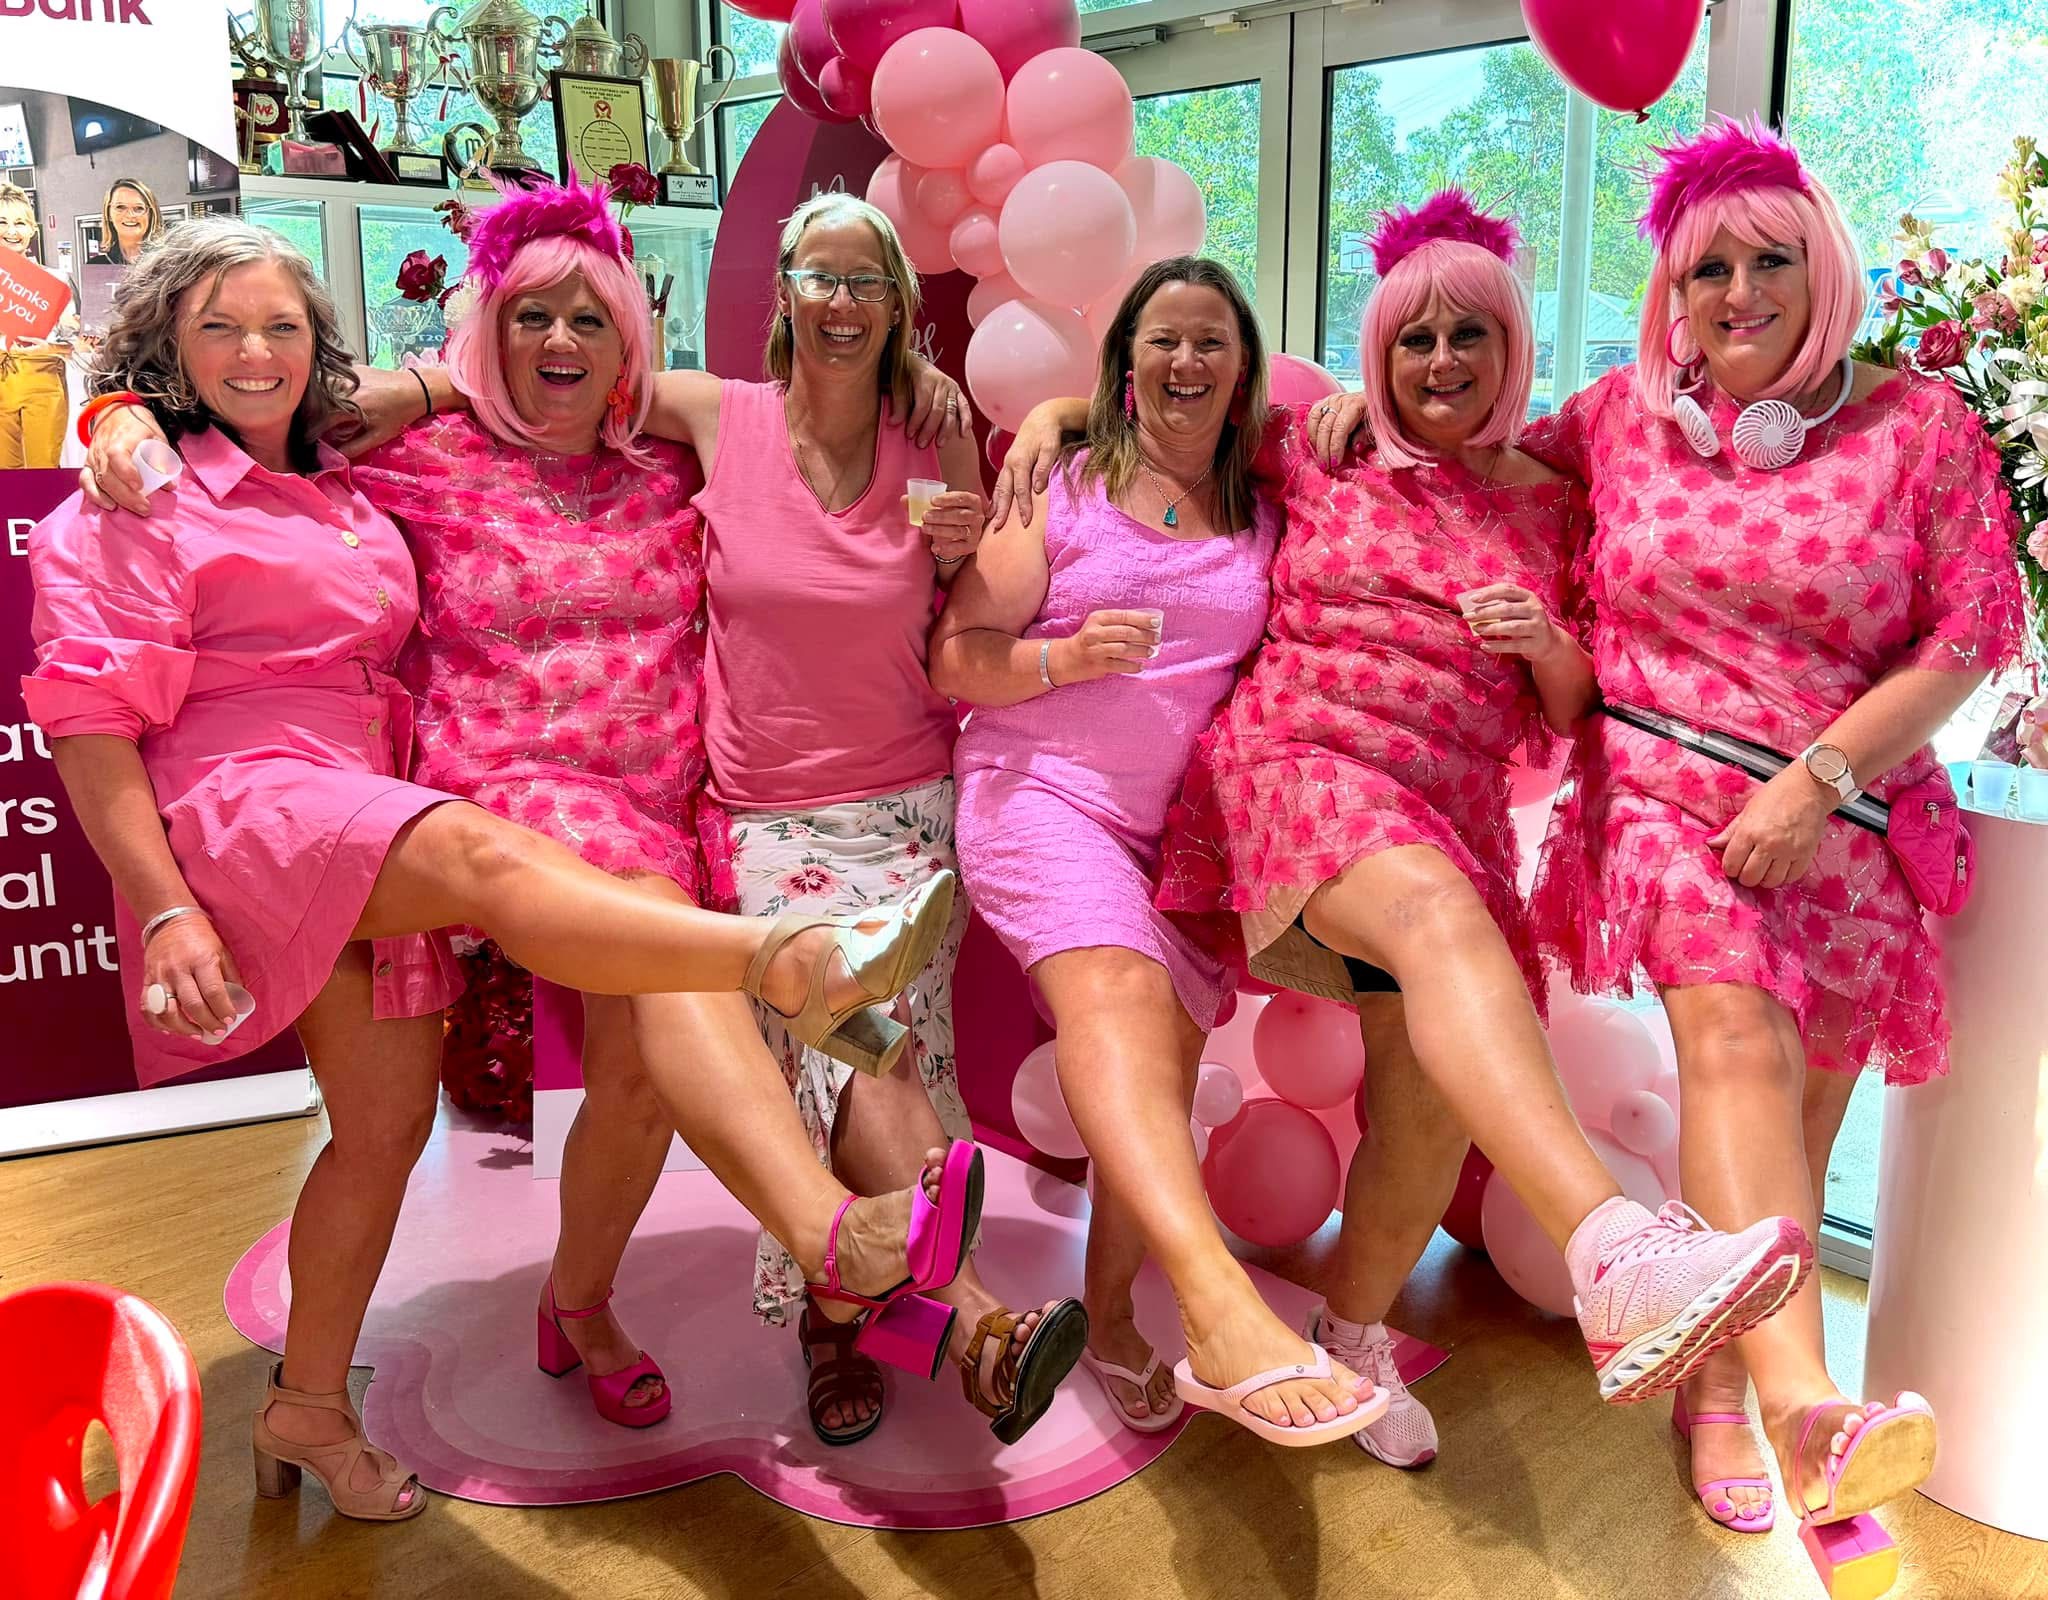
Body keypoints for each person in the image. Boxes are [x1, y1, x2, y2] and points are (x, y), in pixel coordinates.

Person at [26, 215, 970, 1522]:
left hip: (571, 803)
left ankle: (537, 1320)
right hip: (477, 803)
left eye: (590, 318)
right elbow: (220, 433)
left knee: (534, 1101)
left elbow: (284, 406)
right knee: (642, 947)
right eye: (530, 314)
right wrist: (121, 411)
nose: (560, 339)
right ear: (489, 333)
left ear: (629, 343)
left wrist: (945, 422)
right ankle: (820, 1179)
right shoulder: (409, 459)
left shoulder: (658, 467)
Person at [996, 214, 1821, 1447]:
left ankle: (1353, 1333)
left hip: (1451, 811)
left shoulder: (1559, 503)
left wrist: (1547, 647)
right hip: (1298, 770)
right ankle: (1611, 1246)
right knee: (1433, 911)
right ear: (1377, 353)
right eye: (1413, 338)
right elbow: (1171, 408)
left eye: (1467, 335)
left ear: (1510, 346)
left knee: (1430, 1095)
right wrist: (1054, 417)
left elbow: (1574, 706)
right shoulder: (1315, 450)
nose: (1440, 361)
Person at [1524, 120, 2024, 1543]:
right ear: (1671, 295)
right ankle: (1802, 1409)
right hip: (1664, 789)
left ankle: (1708, 1387)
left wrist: (1816, 780)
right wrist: (1316, 422)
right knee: (1735, 1045)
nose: (1736, 293)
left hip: (1845, 806)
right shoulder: (1615, 417)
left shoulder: (1918, 427)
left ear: (1825, 269)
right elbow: (1471, 459)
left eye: (1768, 261)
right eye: (1706, 271)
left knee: (1797, 1116)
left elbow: (1971, 629)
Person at [931, 256, 1395, 1447]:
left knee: (1161, 1070)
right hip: (1040, 795)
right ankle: (1215, 1305)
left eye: (1210, 343)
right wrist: (1062, 658)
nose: (1185, 362)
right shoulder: (1062, 485)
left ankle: (1110, 1318)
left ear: (1242, 371)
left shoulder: (1264, 497)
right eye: (1162, 341)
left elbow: (1378, 440)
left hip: (1180, 838)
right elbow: (956, 655)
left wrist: (1360, 402)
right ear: (1125, 362)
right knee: (1118, 1000)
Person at [0, 182, 80, 468]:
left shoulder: (56, 281)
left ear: (33, 229)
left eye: (20, 222)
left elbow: (75, 345)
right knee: (4, 475)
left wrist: (51, 346)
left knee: (43, 470)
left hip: (43, 380)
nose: (12, 231)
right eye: (2, 222)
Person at [88, 178, 162, 267]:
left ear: (150, 215)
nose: (130, 215)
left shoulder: (168, 262)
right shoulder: (97, 265)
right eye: (120, 207)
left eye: (139, 208)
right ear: (109, 214)